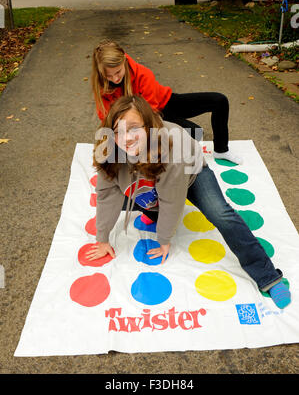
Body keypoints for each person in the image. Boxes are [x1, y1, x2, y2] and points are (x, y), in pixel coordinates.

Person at [86, 95, 291, 310]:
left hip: (191, 174)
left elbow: (172, 200)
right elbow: (106, 195)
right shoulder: (109, 150)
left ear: (148, 126)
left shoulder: (171, 148)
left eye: (134, 128)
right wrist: (102, 238)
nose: (126, 138)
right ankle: (152, 211)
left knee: (220, 213)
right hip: (151, 180)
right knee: (121, 201)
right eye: (118, 131)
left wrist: (164, 239)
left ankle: (268, 277)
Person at [91, 39, 242, 164]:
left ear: (124, 60)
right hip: (140, 119)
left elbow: (152, 110)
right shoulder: (100, 84)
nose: (115, 79)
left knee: (219, 100)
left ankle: (221, 151)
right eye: (108, 76)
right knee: (194, 133)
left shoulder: (143, 74)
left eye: (118, 72)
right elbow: (107, 118)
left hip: (162, 105)